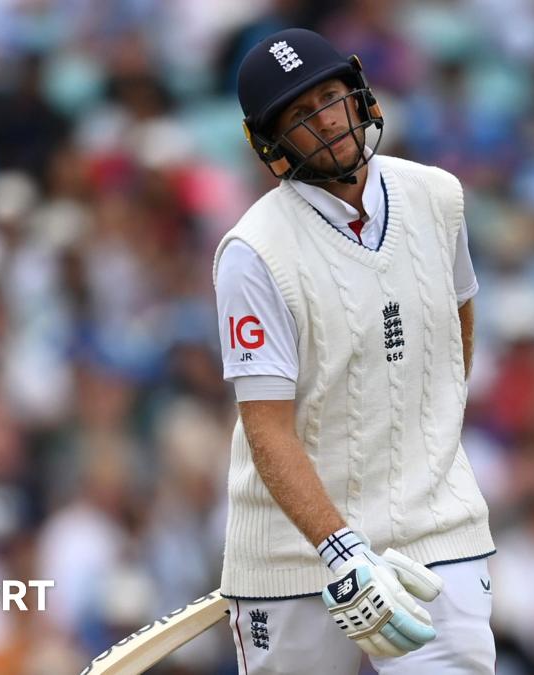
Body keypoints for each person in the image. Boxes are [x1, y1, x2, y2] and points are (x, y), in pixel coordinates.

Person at [212, 27, 496, 674]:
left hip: (435, 530)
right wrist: (340, 550)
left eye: (332, 97)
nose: (328, 122)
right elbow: (267, 428)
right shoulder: (252, 252)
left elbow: (457, 327)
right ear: (270, 145)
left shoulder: (436, 196)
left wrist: (428, 452)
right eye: (301, 115)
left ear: (359, 95)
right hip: (293, 555)